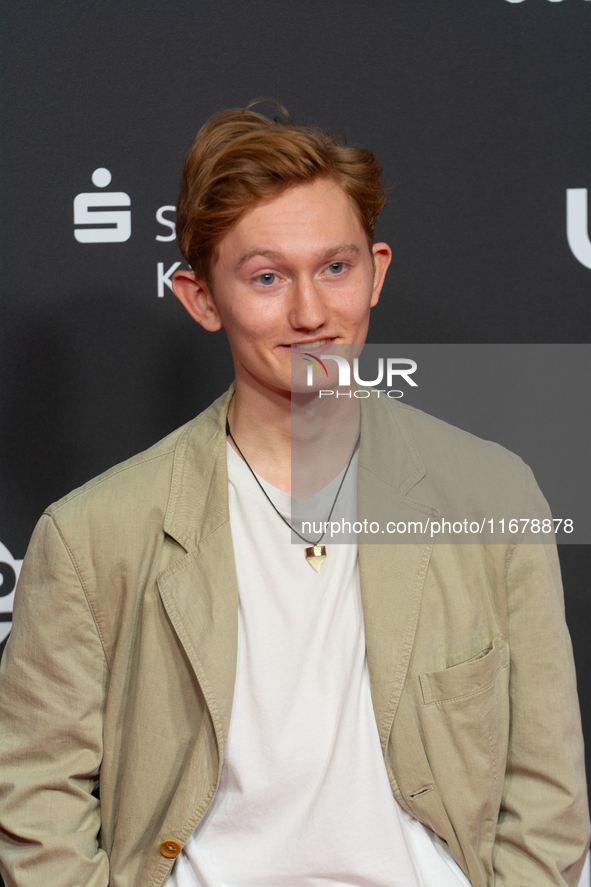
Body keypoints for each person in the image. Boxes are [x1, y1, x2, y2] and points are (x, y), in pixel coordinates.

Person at [0, 101, 588, 887]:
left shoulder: (492, 492)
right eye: (268, 277)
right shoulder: (91, 534)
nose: (311, 313)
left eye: (335, 268)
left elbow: (547, 792)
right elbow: (38, 803)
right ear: (201, 298)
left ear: (376, 271)